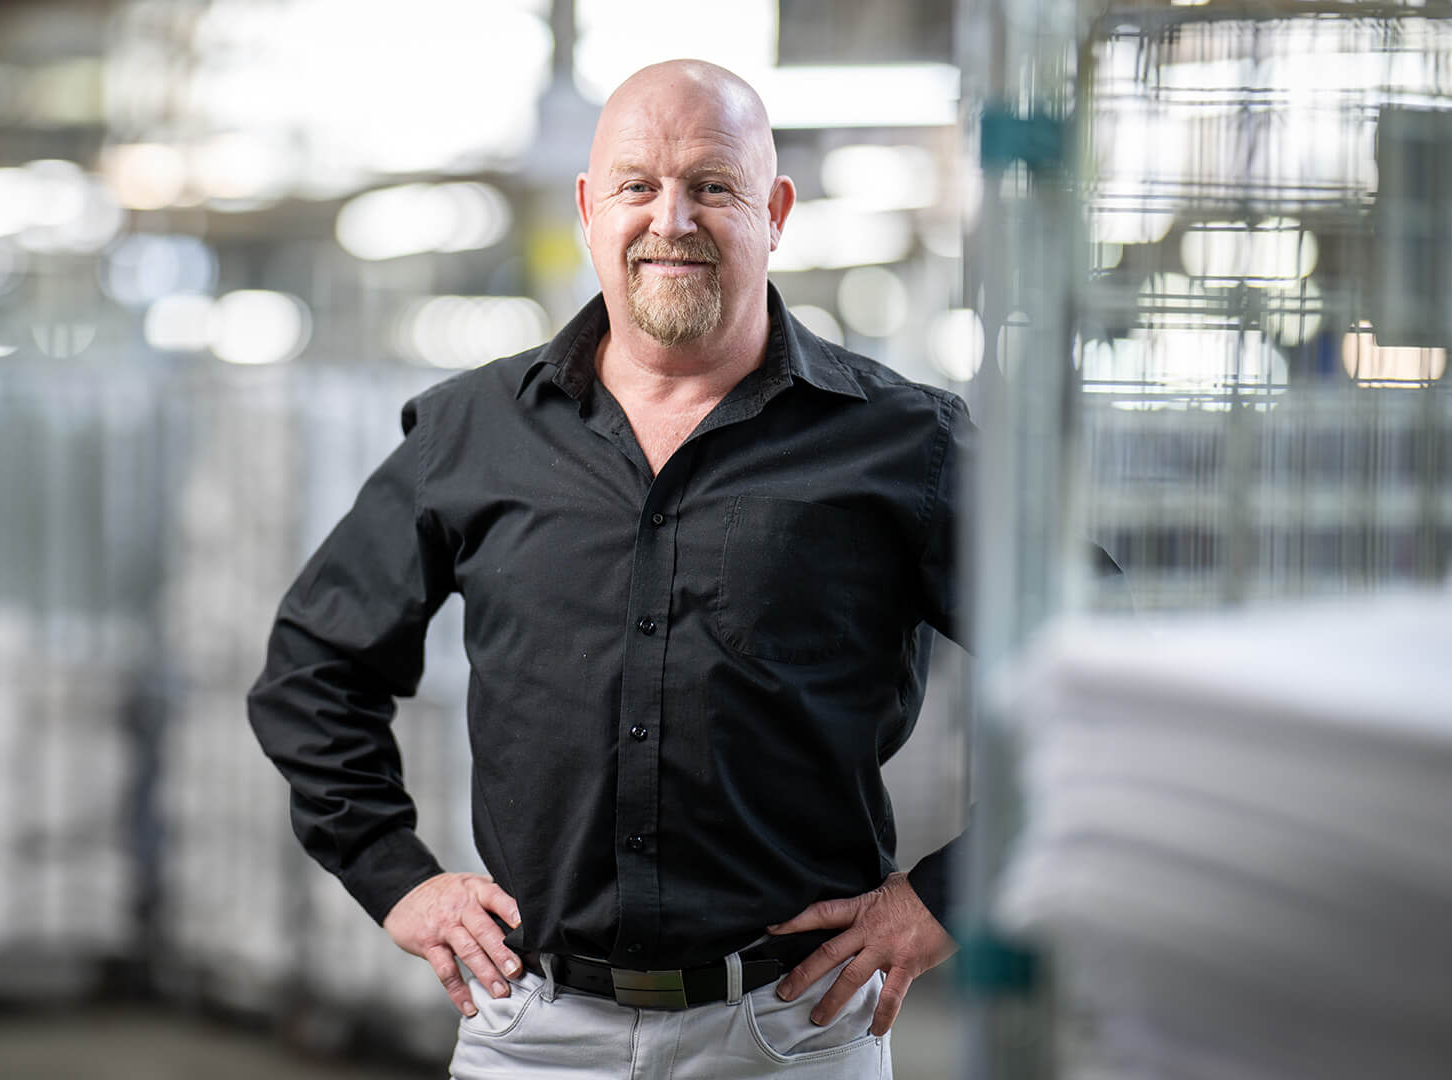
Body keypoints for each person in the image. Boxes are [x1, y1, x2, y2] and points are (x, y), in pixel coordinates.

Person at [249, 58, 966, 1078]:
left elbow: (1094, 657)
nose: (671, 218)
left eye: (713, 186)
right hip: (532, 1033)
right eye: (638, 185)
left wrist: (951, 897)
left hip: (790, 1034)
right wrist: (394, 875)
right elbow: (313, 667)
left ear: (777, 210)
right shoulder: (474, 431)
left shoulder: (902, 444)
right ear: (590, 209)